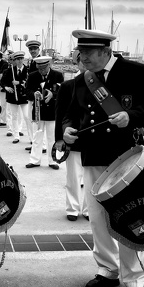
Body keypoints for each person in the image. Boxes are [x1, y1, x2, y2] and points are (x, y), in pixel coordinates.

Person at [62, 29, 144, 287]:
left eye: (88, 53)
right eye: (80, 53)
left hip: (126, 157)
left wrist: (131, 116)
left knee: (130, 216)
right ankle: (107, 269)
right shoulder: (82, 80)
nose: (82, 58)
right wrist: (66, 130)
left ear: (106, 51)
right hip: (93, 155)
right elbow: (70, 113)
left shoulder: (136, 71)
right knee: (97, 218)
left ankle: (135, 280)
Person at [54, 50, 88, 221]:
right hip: (72, 137)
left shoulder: (103, 86)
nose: (85, 63)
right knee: (73, 176)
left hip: (94, 139)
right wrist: (59, 139)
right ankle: (72, 208)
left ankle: (89, 209)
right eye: (81, 60)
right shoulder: (68, 86)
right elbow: (60, 114)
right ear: (77, 63)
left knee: (92, 177)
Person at [25, 56, 63, 169]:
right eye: (39, 68)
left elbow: (63, 92)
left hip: (52, 111)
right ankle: (35, 160)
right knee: (37, 137)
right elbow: (27, 91)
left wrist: (53, 94)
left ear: (49, 65)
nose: (41, 71)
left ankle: (53, 161)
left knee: (52, 137)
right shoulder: (32, 76)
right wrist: (34, 94)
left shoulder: (58, 75)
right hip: (38, 111)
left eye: (43, 68)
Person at [0, 51, 31, 144]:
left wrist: (20, 82)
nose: (19, 61)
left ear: (23, 59)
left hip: (24, 97)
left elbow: (29, 82)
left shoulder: (28, 70)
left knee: (26, 117)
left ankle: (31, 137)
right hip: (13, 97)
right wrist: (6, 87)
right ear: (15, 60)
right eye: (17, 59)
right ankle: (16, 136)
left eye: (21, 59)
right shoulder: (10, 71)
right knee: (14, 116)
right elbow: (2, 82)